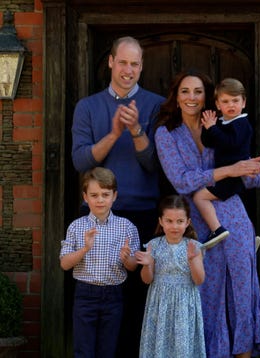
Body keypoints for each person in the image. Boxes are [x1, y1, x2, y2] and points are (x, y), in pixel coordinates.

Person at [154, 69, 260, 358]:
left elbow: (248, 176)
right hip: (196, 221)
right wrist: (230, 170)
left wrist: (251, 171)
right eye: (185, 91)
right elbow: (181, 180)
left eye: (198, 91)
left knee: (243, 291)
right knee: (207, 295)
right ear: (176, 97)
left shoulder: (223, 123)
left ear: (209, 98)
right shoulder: (166, 133)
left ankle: (244, 353)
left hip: (234, 214)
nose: (191, 97)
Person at [71, 36, 165, 357]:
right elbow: (81, 161)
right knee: (95, 302)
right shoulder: (88, 106)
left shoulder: (157, 105)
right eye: (122, 62)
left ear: (142, 67)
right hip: (97, 215)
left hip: (141, 214)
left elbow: (154, 165)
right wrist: (113, 134)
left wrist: (137, 130)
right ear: (111, 62)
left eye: (134, 64)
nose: (128, 70)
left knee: (136, 302)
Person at [59, 167, 140, 357]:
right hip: (85, 294)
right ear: (85, 197)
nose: (100, 200)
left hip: (114, 294)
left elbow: (133, 266)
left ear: (114, 196)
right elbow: (64, 264)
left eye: (105, 194)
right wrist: (85, 249)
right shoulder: (77, 226)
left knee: (108, 350)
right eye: (94, 195)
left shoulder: (126, 227)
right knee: (83, 350)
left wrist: (127, 258)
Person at [135, 195, 206, 358]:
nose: (174, 226)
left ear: (187, 222)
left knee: (182, 347)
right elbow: (147, 279)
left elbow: (199, 280)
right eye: (169, 221)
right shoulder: (154, 245)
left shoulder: (194, 247)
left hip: (184, 304)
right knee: (160, 346)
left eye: (180, 221)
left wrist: (193, 260)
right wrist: (147, 264)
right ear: (161, 221)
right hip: (160, 304)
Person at [193, 78, 253, 249]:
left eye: (235, 100)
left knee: (199, 197)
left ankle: (217, 230)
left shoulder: (242, 124)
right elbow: (209, 142)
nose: (231, 105)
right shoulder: (223, 123)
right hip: (225, 175)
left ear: (244, 102)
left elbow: (230, 143)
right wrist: (207, 127)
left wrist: (213, 128)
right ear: (218, 105)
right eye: (225, 101)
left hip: (233, 177)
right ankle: (244, 240)